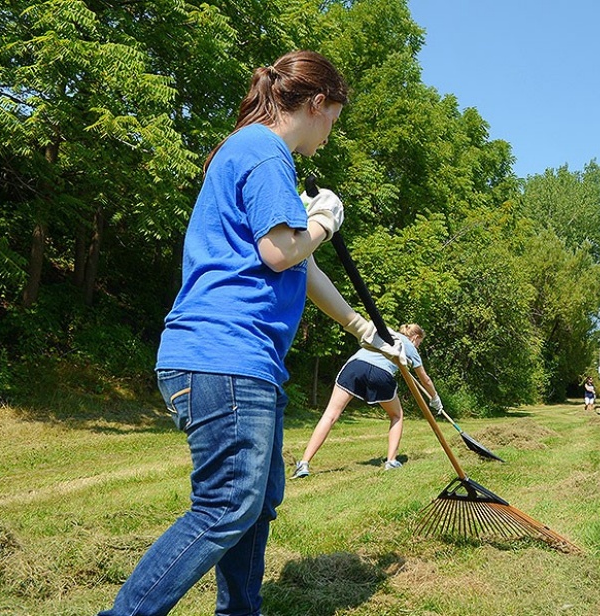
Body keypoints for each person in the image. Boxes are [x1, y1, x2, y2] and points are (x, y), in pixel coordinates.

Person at [99, 50, 404, 616]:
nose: (330, 135)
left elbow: (301, 265)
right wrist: (324, 220)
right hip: (225, 355)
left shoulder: (252, 150)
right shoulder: (265, 151)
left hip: (237, 360)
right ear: (316, 104)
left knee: (256, 503)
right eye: (333, 120)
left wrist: (363, 328)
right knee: (227, 506)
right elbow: (280, 251)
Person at [292, 323, 440, 477]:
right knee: (397, 415)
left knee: (330, 414)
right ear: (415, 337)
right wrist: (435, 398)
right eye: (419, 343)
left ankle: (304, 464)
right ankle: (391, 461)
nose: (417, 346)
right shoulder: (410, 347)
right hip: (380, 373)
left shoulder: (386, 333)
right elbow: (426, 380)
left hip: (355, 367)